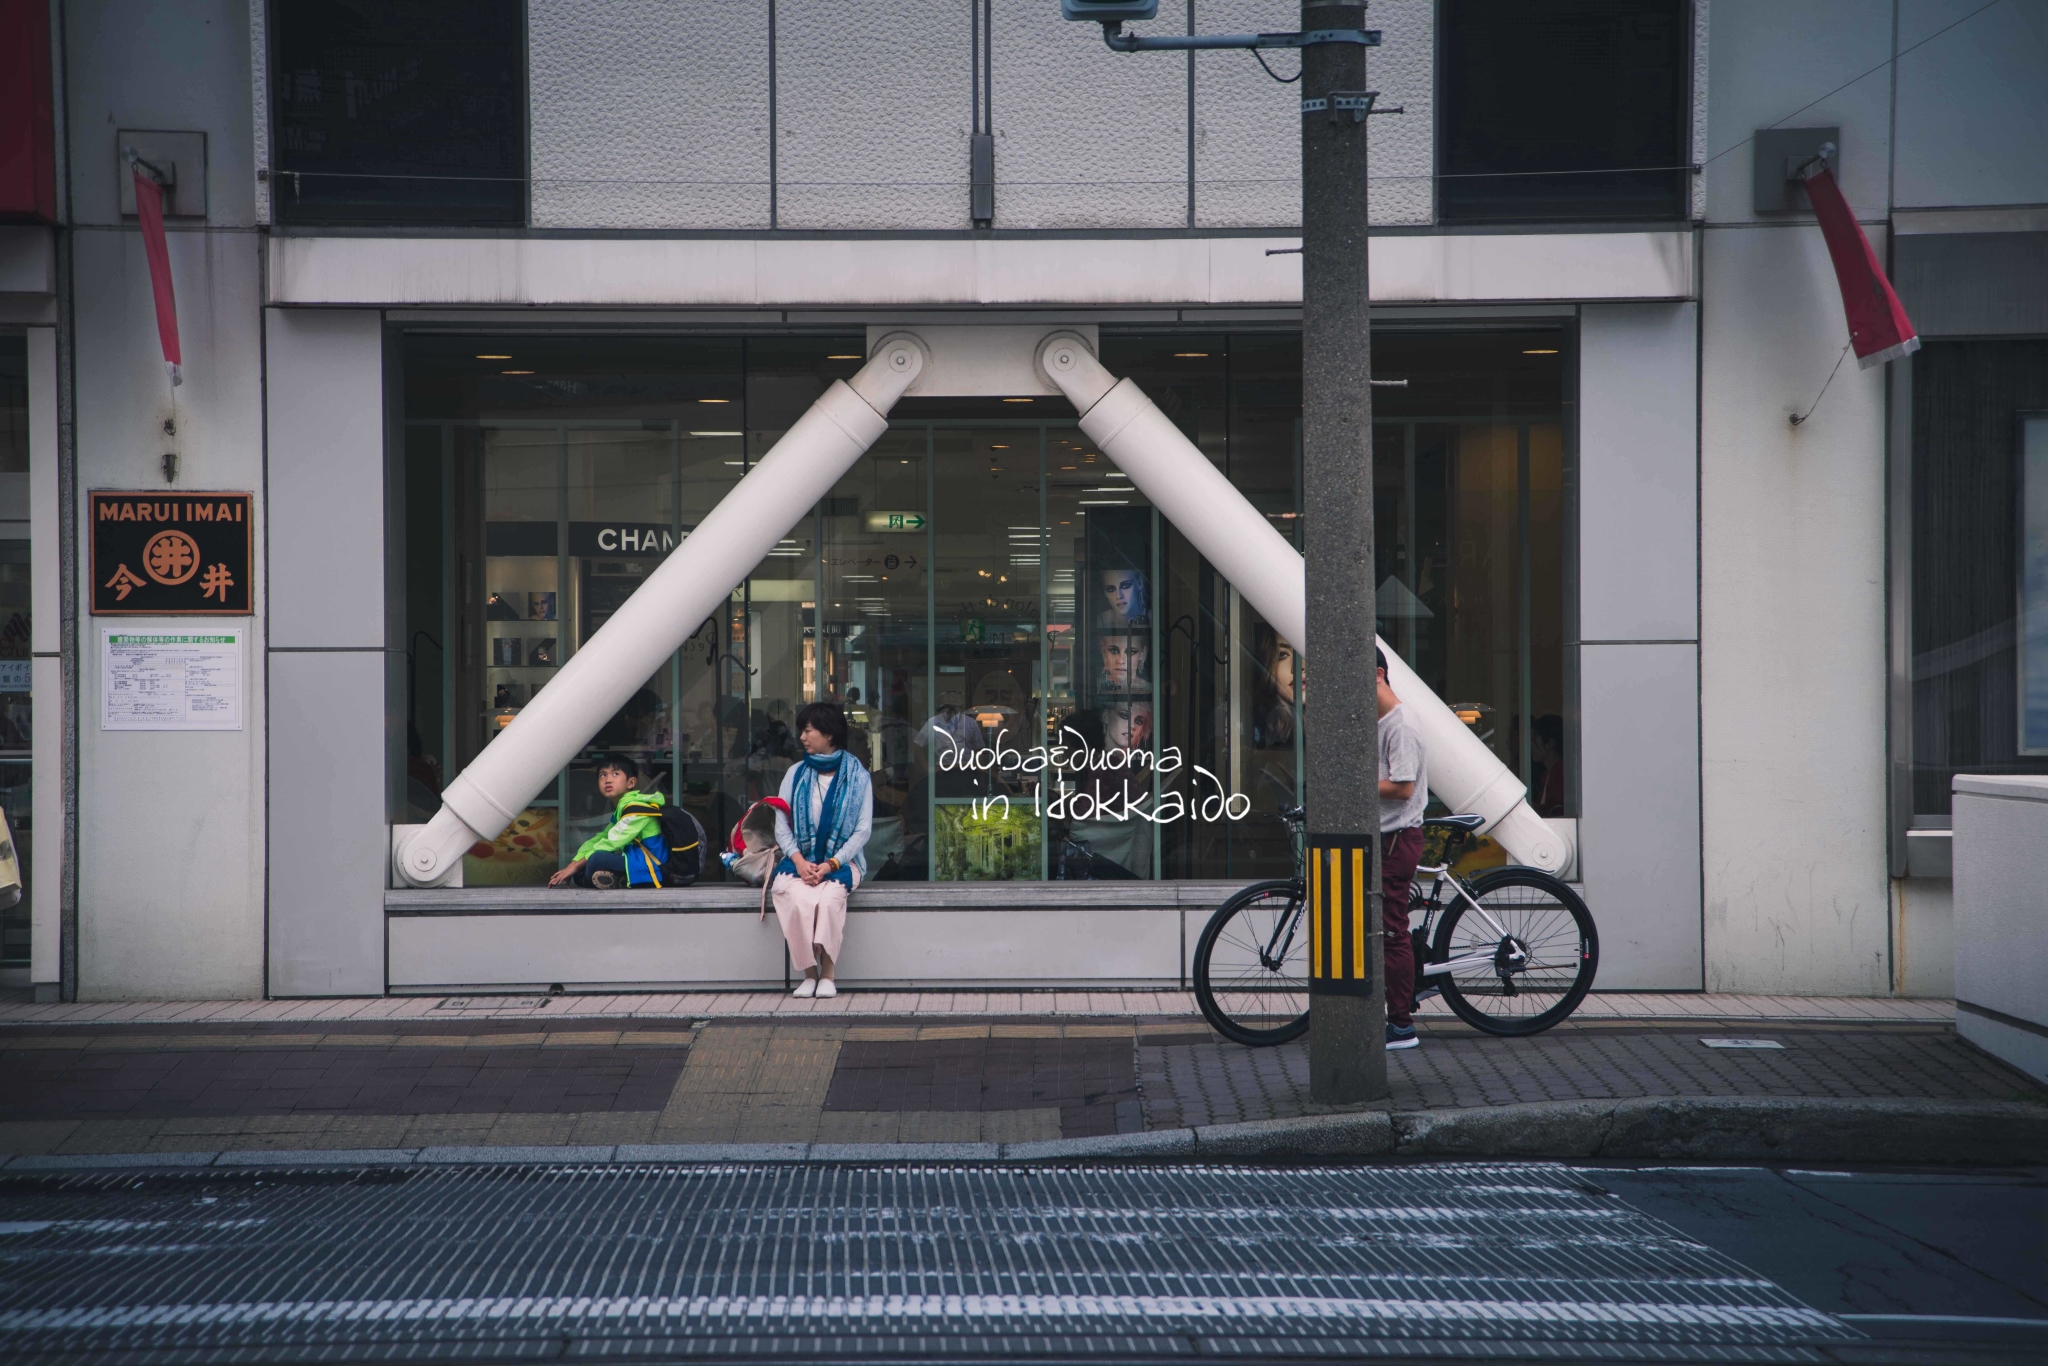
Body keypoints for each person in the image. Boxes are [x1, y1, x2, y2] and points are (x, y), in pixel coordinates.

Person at [771, 701, 873, 999]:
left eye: (808, 730)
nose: (802, 738)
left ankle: (828, 975)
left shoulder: (858, 777)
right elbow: (781, 824)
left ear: (829, 734)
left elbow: (862, 830)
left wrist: (831, 864)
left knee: (829, 901)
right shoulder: (795, 773)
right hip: (798, 862)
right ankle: (809, 975)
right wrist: (800, 861)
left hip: (842, 864)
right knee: (799, 900)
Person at [1375, 647, 1428, 1051]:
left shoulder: (1401, 724)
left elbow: (1403, 786)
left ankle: (1402, 1025)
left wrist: (1349, 785)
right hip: (1383, 838)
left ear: (1378, 675)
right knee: (1382, 927)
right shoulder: (1377, 720)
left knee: (1393, 930)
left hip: (1396, 839)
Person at [550, 755, 669, 888]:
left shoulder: (637, 808)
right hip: (635, 860)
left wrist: (578, 865)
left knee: (596, 860)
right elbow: (602, 837)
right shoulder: (621, 808)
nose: (608, 780)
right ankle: (616, 878)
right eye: (602, 775)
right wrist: (574, 863)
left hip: (654, 865)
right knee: (581, 871)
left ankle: (617, 878)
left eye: (615, 774)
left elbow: (612, 842)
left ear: (631, 783)